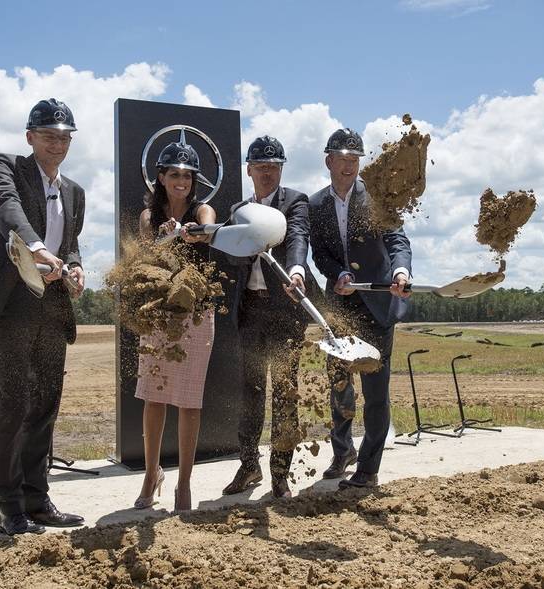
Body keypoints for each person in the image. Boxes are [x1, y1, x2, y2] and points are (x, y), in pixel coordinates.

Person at [0, 98, 86, 535]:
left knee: (45, 404)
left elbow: (70, 243)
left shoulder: (75, 192)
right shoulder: (5, 167)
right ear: (30, 138)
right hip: (10, 304)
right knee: (14, 404)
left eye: (65, 137)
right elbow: (5, 209)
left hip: (52, 307)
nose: (58, 144)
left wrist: (76, 265)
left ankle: (37, 498)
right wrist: (35, 246)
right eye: (49, 136)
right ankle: (8, 506)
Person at [308, 128, 411, 489]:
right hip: (340, 306)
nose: (349, 165)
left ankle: (368, 468)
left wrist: (401, 271)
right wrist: (336, 273)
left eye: (355, 159)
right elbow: (319, 252)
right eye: (343, 159)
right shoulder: (316, 204)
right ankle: (342, 452)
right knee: (339, 384)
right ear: (329, 161)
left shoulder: (378, 197)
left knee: (375, 390)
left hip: (379, 304)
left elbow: (398, 240)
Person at [222, 135, 311, 499]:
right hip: (251, 311)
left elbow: (298, 239)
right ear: (249, 171)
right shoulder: (240, 210)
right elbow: (230, 256)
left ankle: (279, 473)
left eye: (273, 167)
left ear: (281, 169)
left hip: (286, 310)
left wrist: (296, 270)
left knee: (285, 392)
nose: (267, 173)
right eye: (260, 167)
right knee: (250, 391)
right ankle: (248, 465)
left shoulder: (295, 202)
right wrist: (245, 245)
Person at [134, 139, 216, 512]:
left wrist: (193, 232)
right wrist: (166, 237)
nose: (180, 181)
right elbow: (144, 256)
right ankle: (152, 475)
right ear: (161, 178)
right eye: (174, 174)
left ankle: (184, 483)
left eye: (187, 175)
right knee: (154, 397)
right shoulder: (149, 218)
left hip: (197, 315)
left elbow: (210, 228)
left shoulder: (202, 210)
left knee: (190, 402)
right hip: (159, 314)